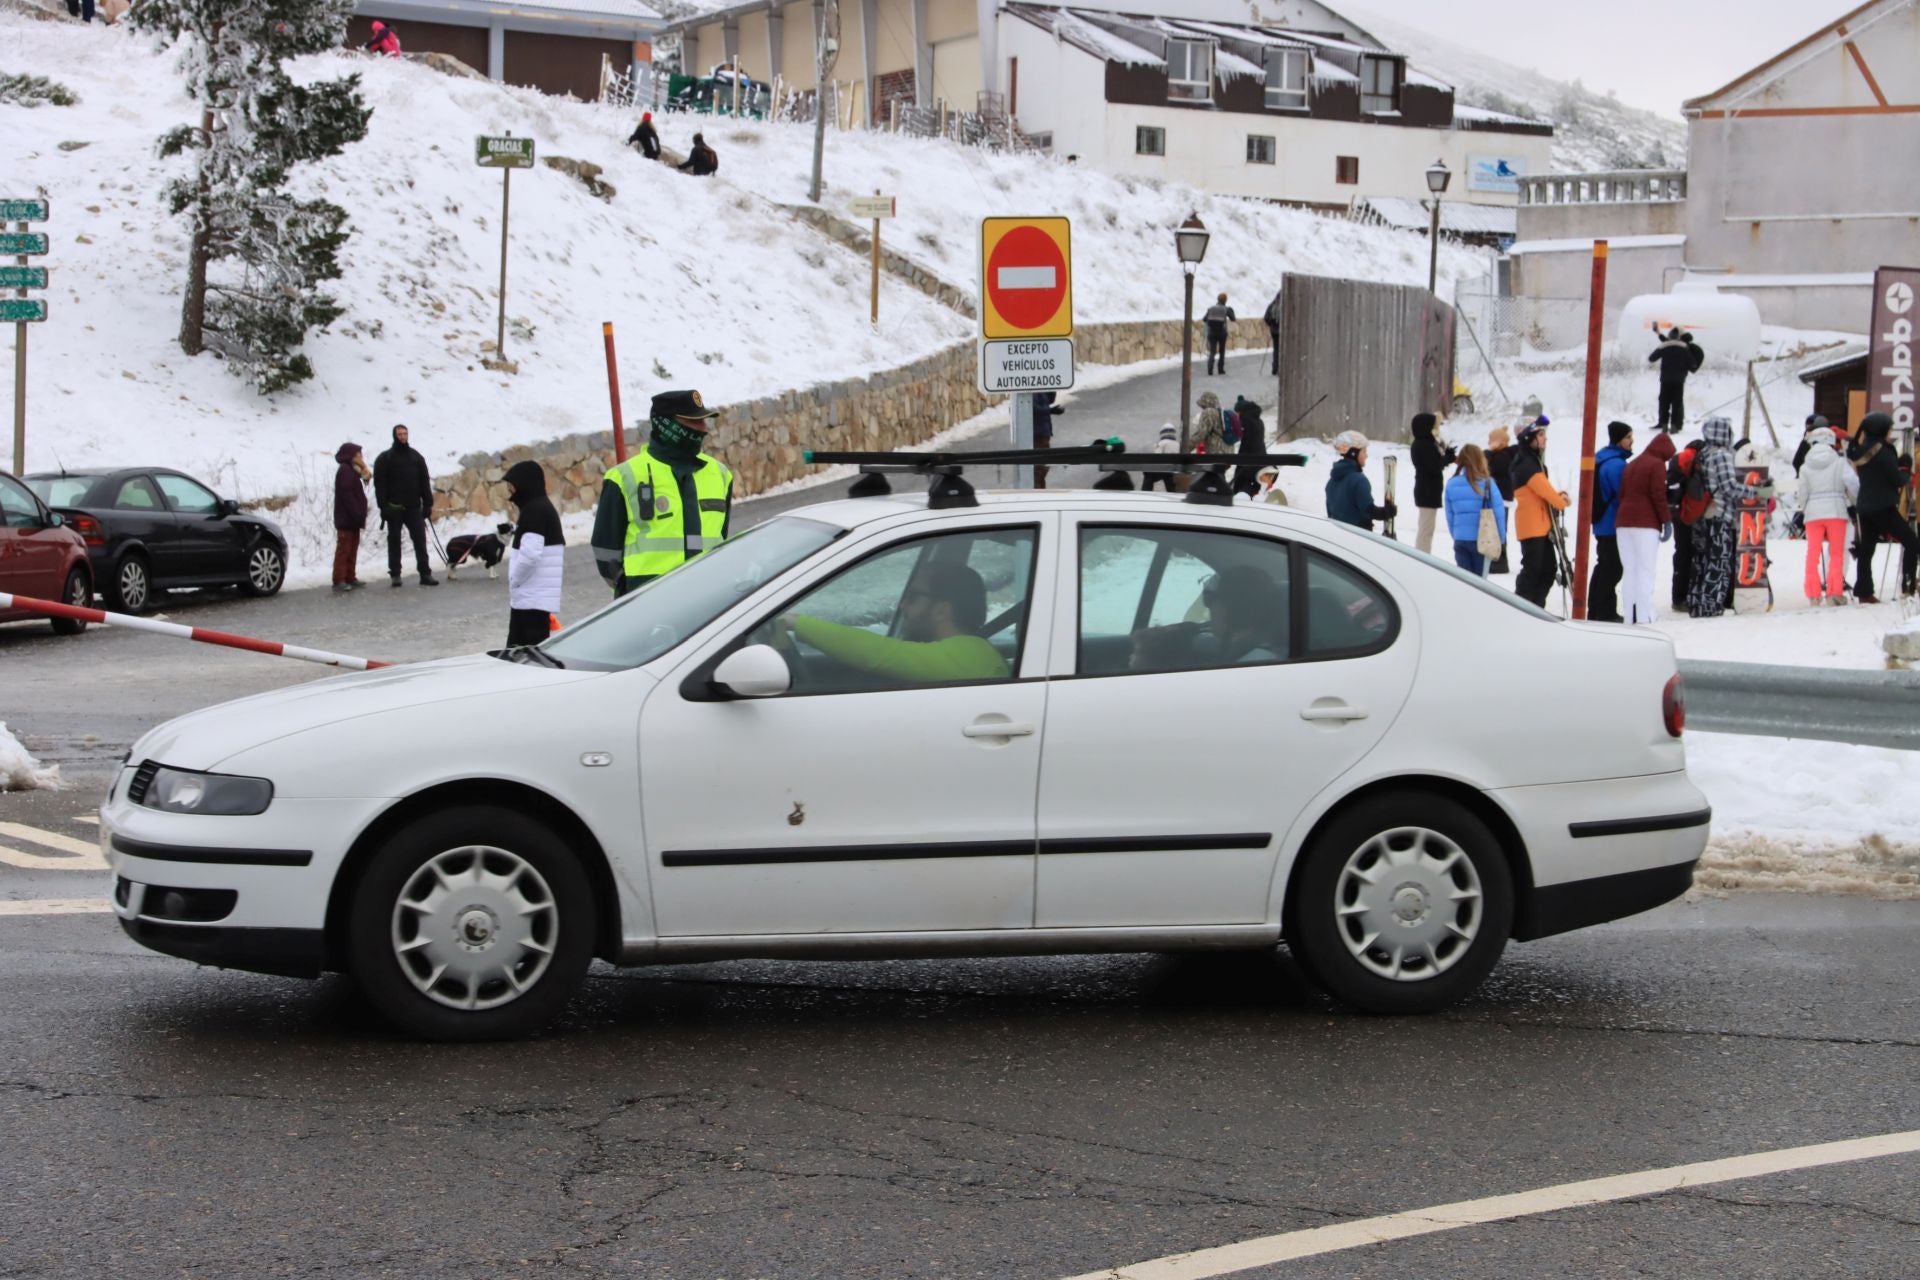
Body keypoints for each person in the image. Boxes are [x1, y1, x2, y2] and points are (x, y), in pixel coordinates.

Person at [592, 389, 734, 596]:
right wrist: (632, 588)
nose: (703, 429)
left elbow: (719, 536)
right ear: (665, 424)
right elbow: (606, 552)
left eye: (704, 421)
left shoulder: (721, 475)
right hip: (648, 604)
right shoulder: (623, 478)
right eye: (693, 422)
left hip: (707, 600)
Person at [781, 563, 1007, 682]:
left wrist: (797, 623)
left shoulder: (968, 654)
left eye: (913, 597)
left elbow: (880, 654)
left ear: (942, 610)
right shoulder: (972, 652)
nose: (902, 606)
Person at [1131, 565, 1286, 671]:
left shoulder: (1253, 665)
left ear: (1231, 608)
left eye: (1212, 600)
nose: (1209, 608)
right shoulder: (1248, 653)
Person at [1686, 416, 1765, 618]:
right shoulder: (1721, 455)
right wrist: (1756, 492)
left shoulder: (1703, 453)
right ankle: (1711, 605)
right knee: (1719, 561)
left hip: (1703, 515)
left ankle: (1697, 603)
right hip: (1719, 515)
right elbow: (1728, 486)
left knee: (1702, 561)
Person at [1849, 412, 1918, 602]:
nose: (1890, 433)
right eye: (1888, 429)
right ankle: (1908, 585)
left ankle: (1864, 591)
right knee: (1912, 542)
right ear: (1881, 430)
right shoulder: (1884, 451)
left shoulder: (1862, 449)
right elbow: (1897, 479)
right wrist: (1904, 468)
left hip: (1865, 506)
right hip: (1883, 506)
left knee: (1866, 550)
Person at [1615, 426, 1676, 624]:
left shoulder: (1632, 464)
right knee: (1646, 570)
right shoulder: (1656, 464)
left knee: (1630, 570)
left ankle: (1629, 617)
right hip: (1646, 525)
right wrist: (1666, 520)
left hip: (1623, 524)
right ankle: (1644, 616)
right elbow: (1658, 495)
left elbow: (1622, 494)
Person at [502, 460, 565, 646]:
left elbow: (530, 556)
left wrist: (515, 580)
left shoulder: (534, 511)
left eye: (512, 485)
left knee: (525, 657)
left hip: (531, 598)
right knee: (528, 653)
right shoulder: (540, 507)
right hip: (535, 597)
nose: (510, 491)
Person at [1509, 421, 1569, 608]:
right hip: (1533, 525)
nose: (1545, 439)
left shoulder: (1531, 461)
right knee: (1534, 569)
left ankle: (1535, 604)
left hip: (1540, 524)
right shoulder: (1528, 464)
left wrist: (1558, 498)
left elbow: (1545, 493)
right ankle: (1523, 604)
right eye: (1541, 435)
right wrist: (1561, 500)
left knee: (1548, 568)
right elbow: (1546, 492)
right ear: (1530, 440)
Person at [1797, 425, 1857, 606]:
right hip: (1836, 511)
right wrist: (1855, 502)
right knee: (1837, 553)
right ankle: (1834, 592)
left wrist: (1804, 508)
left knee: (1812, 553)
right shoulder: (1840, 462)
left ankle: (1813, 594)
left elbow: (1802, 493)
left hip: (1813, 513)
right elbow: (1852, 483)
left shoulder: (1805, 466)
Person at [373, 423, 438, 587]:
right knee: (394, 541)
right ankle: (395, 574)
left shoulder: (416, 457)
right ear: (394, 436)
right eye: (400, 434)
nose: (403, 437)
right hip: (394, 507)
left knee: (420, 541)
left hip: (414, 507)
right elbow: (380, 485)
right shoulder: (385, 458)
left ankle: (425, 573)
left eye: (405, 434)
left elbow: (424, 481)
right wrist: (383, 507)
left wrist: (428, 504)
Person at [1586, 422, 1634, 623]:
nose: (1632, 442)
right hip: (1612, 522)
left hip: (1601, 522)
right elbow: (1623, 495)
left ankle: (1596, 608)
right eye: (1628, 437)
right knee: (1613, 568)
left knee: (1604, 565)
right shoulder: (1617, 465)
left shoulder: (1602, 458)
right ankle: (1605, 612)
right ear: (1618, 439)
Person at [1443, 444, 1504, 576]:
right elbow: (1499, 513)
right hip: (1482, 539)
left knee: (1465, 583)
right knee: (1480, 585)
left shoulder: (1451, 484)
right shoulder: (1488, 483)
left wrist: (1456, 534)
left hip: (1460, 540)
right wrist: (1501, 538)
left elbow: (1449, 515)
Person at [1325, 432, 1395, 532]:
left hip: (1338, 539)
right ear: (1353, 453)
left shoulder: (1331, 482)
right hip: (1358, 540)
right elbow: (1369, 510)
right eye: (1364, 451)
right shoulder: (1358, 480)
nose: (1366, 455)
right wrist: (1386, 512)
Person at [1409, 412, 1456, 556]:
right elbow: (1434, 466)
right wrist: (1447, 458)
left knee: (1427, 527)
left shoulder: (1426, 442)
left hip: (1429, 490)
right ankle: (1422, 555)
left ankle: (1423, 554)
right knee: (1426, 528)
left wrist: (1446, 454)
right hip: (1427, 491)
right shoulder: (1422, 444)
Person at [331, 442, 369, 593]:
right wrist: (356, 512)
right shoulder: (345, 471)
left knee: (352, 548)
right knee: (344, 549)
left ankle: (350, 576)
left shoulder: (353, 470)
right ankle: (339, 579)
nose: (360, 457)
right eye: (358, 454)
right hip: (347, 518)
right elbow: (347, 495)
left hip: (353, 518)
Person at [1649, 327, 1703, 432]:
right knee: (1677, 402)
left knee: (1664, 401)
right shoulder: (1684, 349)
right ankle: (1674, 425)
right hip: (1679, 380)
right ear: (1680, 338)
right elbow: (1692, 363)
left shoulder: (1665, 347)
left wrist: (1661, 347)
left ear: (1669, 337)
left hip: (1665, 380)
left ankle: (1664, 424)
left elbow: (1652, 358)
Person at [1483, 425, 1518, 574]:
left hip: (1501, 498)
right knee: (1495, 528)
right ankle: (1496, 560)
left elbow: (1492, 466)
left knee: (1498, 529)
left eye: (1491, 440)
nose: (1489, 443)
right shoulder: (1503, 455)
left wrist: (1489, 453)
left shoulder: (1504, 456)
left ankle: (1500, 562)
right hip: (1500, 497)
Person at [1229, 396, 1267, 497]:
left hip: (1248, 459)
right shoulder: (1259, 420)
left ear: (1241, 411)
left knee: (1241, 488)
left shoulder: (1245, 420)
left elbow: (1246, 442)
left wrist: (1241, 460)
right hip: (1261, 457)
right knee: (1253, 487)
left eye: (1237, 412)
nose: (1237, 415)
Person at [1031, 391, 1063, 489]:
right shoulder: (1032, 389)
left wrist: (1052, 389)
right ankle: (1037, 493)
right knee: (1039, 467)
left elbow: (1049, 401)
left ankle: (1040, 491)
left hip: (1044, 432)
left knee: (1042, 466)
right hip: (1037, 433)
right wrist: (1050, 410)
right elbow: (1032, 408)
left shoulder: (1041, 387)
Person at [1192, 390, 1230, 465]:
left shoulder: (1209, 412)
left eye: (1203, 406)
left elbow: (1200, 434)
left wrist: (1185, 447)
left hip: (1214, 454)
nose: (1202, 408)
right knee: (1219, 475)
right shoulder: (1221, 413)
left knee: (1208, 475)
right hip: (1227, 454)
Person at [1202, 293, 1235, 376]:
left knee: (1212, 351)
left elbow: (1205, 319)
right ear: (1225, 300)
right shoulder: (1226, 309)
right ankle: (1220, 369)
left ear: (1218, 299)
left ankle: (1210, 369)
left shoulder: (1211, 308)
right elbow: (1233, 319)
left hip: (1212, 332)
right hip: (1222, 333)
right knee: (1222, 351)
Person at [1143, 424, 1179, 491]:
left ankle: (1146, 491)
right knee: (1168, 476)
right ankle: (1171, 490)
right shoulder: (1177, 444)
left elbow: (1157, 457)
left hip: (1165, 470)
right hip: (1175, 470)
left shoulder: (1162, 443)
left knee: (1148, 473)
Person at [1261, 288, 1282, 376]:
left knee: (1276, 349)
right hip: (1283, 330)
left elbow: (1266, 317)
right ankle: (1281, 368)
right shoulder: (1286, 305)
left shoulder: (1272, 305)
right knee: (1283, 350)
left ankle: (1275, 368)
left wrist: (1271, 325)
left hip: (1274, 331)